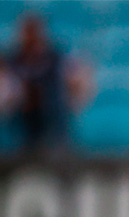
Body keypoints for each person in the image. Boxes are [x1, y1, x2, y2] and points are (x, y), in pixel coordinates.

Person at [8, 13, 89, 151]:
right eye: (28, 33)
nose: (31, 38)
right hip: (23, 112)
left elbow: (78, 79)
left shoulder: (55, 57)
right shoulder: (14, 60)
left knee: (54, 94)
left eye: (34, 33)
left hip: (51, 110)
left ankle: (58, 144)